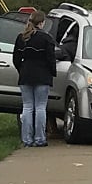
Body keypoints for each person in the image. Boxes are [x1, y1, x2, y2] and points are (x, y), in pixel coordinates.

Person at [13, 10, 57, 148]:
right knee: (40, 107)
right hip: (42, 75)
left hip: (26, 74)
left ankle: (26, 139)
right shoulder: (47, 38)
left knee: (27, 107)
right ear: (42, 23)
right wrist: (52, 73)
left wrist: (22, 70)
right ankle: (40, 138)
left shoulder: (22, 37)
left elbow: (16, 59)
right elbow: (51, 59)